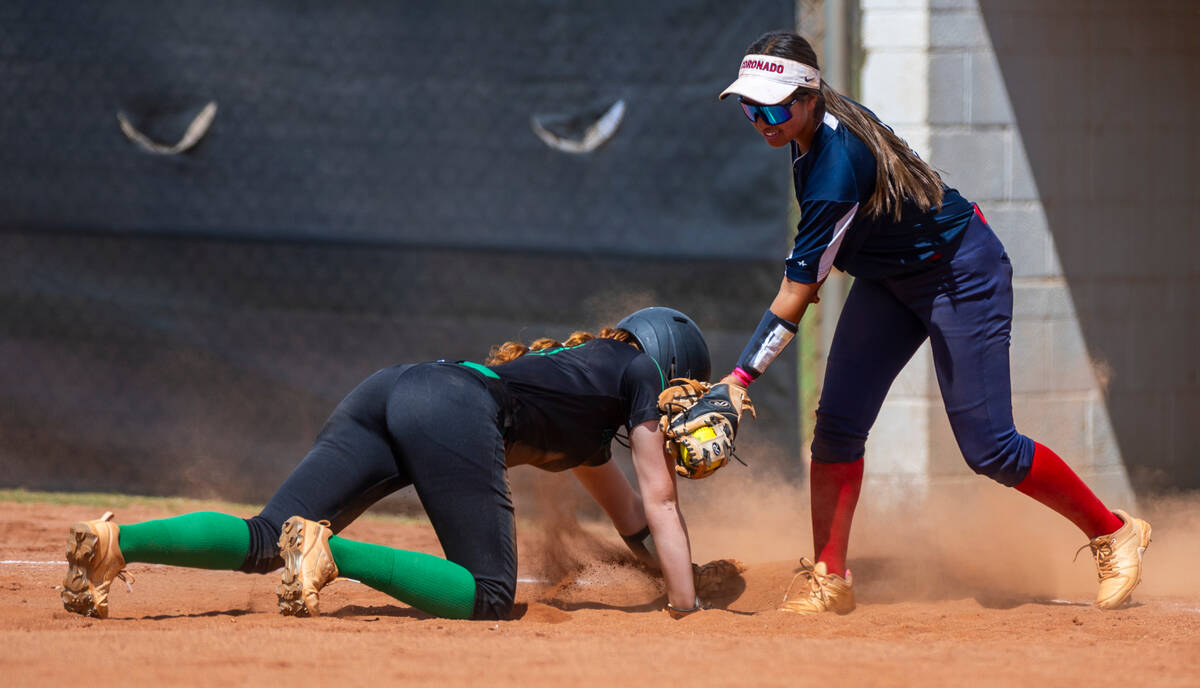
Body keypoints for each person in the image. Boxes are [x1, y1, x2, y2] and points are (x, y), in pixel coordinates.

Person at [705, 31, 1151, 614]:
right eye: (750, 106)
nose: (762, 119)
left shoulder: (835, 167)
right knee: (837, 427)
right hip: (891, 278)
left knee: (990, 447)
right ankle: (830, 576)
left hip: (960, 271)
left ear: (810, 96)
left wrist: (739, 380)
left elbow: (798, 290)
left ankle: (1113, 533)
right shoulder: (809, 126)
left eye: (775, 105)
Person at [60, 307, 718, 621]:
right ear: (670, 371)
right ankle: (332, 555)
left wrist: (672, 572)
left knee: (266, 538)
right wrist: (687, 603)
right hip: (453, 406)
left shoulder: (589, 390)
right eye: (681, 392)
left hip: (397, 386)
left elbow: (631, 516)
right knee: (489, 594)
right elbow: (659, 502)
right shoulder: (638, 373)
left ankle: (118, 543)